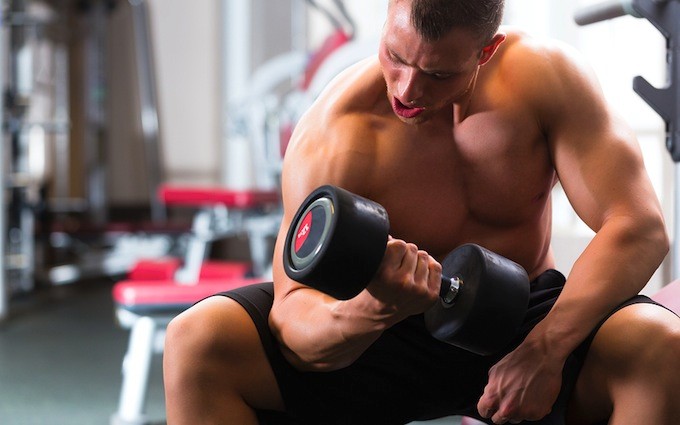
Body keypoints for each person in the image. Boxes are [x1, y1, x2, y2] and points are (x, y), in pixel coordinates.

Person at [163, 0, 680, 424]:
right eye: (395, 56)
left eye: (438, 73)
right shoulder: (337, 133)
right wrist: (372, 310)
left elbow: (639, 228)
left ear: (487, 51)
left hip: (515, 319)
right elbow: (294, 321)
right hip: (377, 337)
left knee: (659, 346)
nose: (407, 90)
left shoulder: (543, 80)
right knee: (198, 340)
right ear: (388, 16)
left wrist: (545, 351)